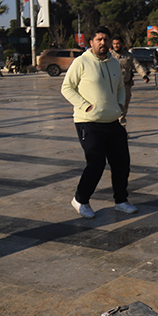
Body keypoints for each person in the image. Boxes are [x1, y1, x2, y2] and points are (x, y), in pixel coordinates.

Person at [61, 26, 136, 219]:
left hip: (112, 121)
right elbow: (67, 88)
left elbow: (121, 86)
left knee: (122, 163)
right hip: (88, 122)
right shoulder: (81, 62)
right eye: (99, 39)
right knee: (96, 163)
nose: (103, 43)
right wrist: (84, 106)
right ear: (91, 42)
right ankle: (81, 200)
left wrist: (120, 104)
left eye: (106, 39)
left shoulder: (113, 63)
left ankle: (120, 200)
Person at [110, 37, 149, 125]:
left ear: (122, 44)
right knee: (112, 107)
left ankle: (121, 127)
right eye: (114, 44)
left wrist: (144, 75)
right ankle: (113, 127)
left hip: (125, 85)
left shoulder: (128, 55)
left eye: (118, 43)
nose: (116, 46)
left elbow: (137, 65)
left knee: (124, 106)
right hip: (112, 85)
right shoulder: (109, 56)